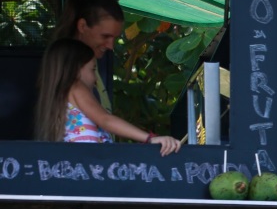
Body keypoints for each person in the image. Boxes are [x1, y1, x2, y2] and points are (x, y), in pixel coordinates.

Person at [34, 38, 181, 155]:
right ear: (75, 69)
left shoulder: (57, 98)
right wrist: (150, 138)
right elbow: (105, 120)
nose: (95, 79)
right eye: (93, 69)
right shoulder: (76, 86)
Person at [52, 0, 125, 112]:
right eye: (105, 36)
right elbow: (103, 119)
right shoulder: (69, 69)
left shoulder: (88, 60)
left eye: (114, 38)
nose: (111, 46)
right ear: (82, 26)